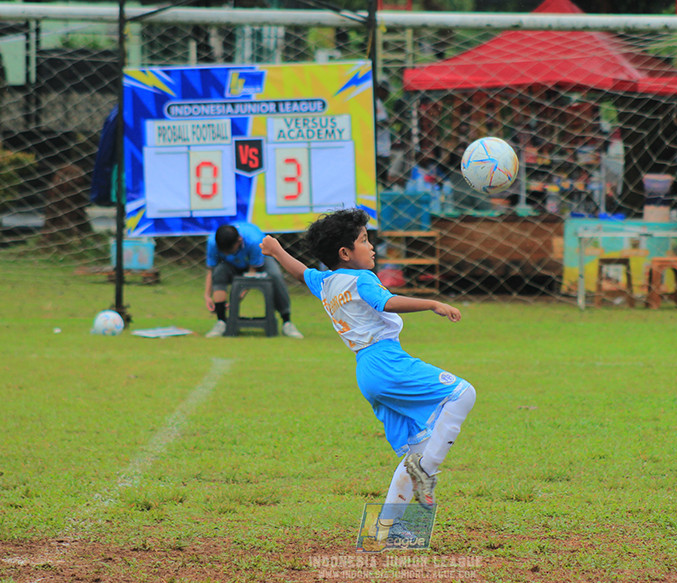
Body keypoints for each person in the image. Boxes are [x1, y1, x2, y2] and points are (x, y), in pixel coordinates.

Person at [259, 209, 475, 548]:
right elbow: (387, 302)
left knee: (418, 447)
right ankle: (427, 472)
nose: (371, 246)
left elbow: (301, 273)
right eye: (364, 240)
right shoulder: (362, 279)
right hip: (387, 361)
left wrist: (275, 250)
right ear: (345, 253)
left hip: (367, 370)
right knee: (463, 393)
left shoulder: (327, 282)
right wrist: (432, 303)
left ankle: (387, 528)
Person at [203, 223, 302, 339]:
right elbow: (211, 269)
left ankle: (287, 322)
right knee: (219, 272)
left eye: (229, 251)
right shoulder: (212, 242)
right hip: (232, 264)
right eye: (224, 252)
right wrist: (207, 295)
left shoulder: (254, 241)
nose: (226, 254)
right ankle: (221, 322)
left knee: (275, 275)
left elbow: (252, 273)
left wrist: (237, 298)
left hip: (260, 259)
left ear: (239, 241)